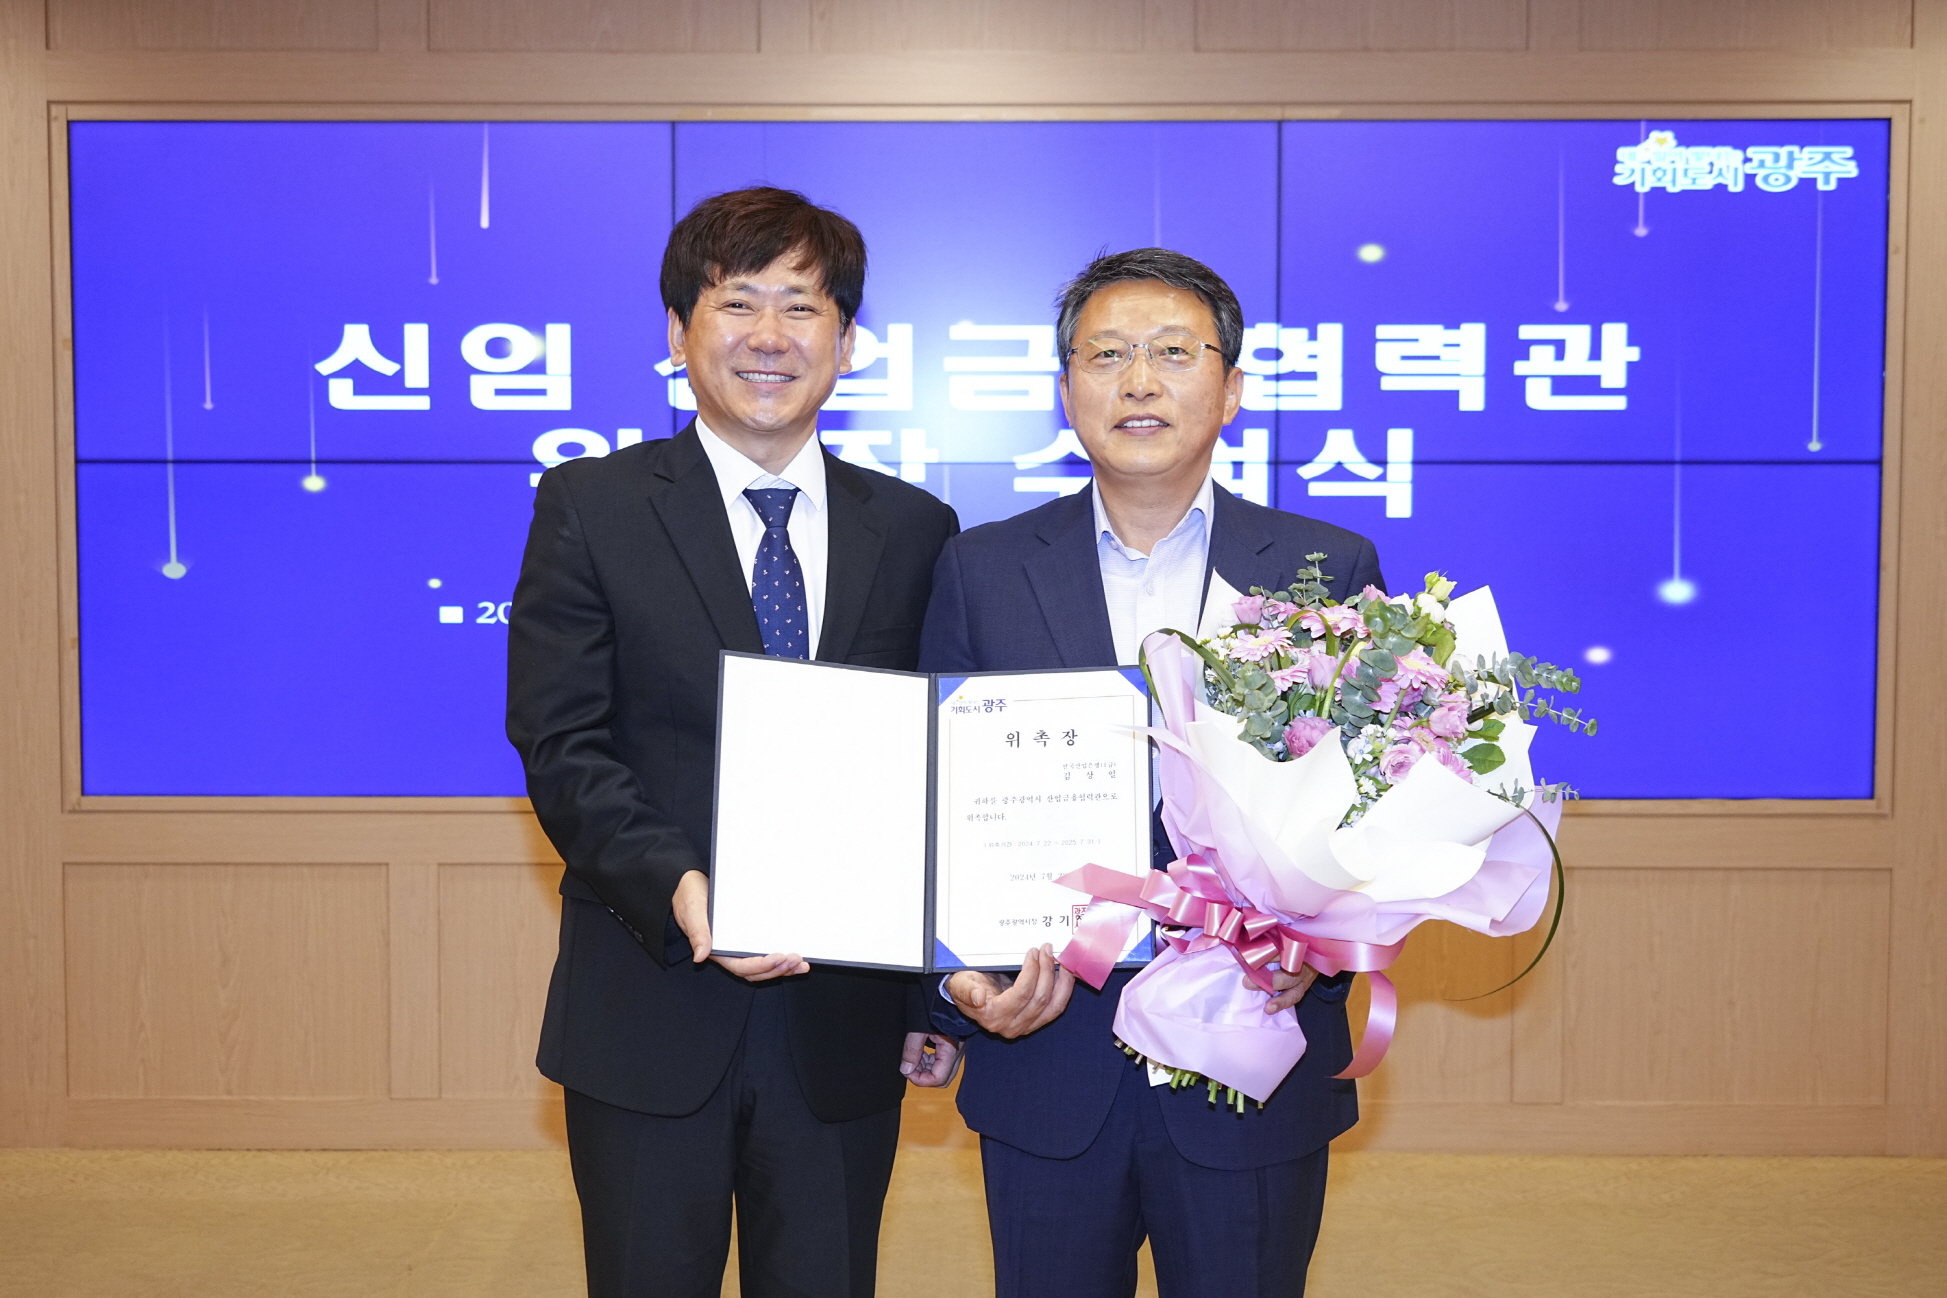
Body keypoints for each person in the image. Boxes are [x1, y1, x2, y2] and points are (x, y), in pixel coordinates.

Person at [507, 186, 962, 1298]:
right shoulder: (592, 505)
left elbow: (935, 772)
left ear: (846, 342)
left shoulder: (915, 529)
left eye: (802, 306)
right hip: (650, 1003)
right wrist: (678, 883)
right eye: (737, 302)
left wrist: (931, 994)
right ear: (679, 332)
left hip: (843, 1023)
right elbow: (562, 740)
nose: (770, 335)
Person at [919, 248, 1386, 1298]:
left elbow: (1373, 800)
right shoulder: (980, 568)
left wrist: (1319, 951)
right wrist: (950, 985)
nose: (1139, 381)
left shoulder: (1325, 568)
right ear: (1065, 388)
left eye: (1174, 353)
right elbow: (931, 802)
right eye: (1107, 355)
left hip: (1250, 1052)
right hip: (1048, 1054)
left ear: (1231, 386)